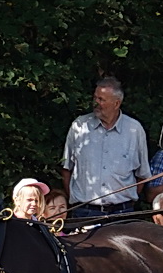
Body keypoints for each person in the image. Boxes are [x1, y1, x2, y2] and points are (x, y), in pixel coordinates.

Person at [62, 77, 151, 217]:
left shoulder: (134, 130)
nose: (96, 102)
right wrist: (75, 202)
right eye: (95, 97)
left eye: (101, 99)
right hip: (84, 211)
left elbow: (142, 175)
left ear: (116, 103)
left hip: (121, 212)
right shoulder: (79, 126)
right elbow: (66, 169)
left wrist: (125, 201)